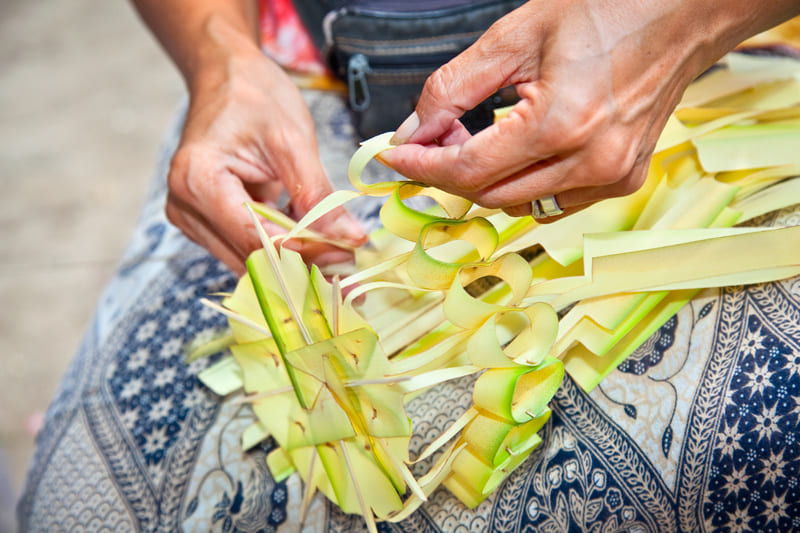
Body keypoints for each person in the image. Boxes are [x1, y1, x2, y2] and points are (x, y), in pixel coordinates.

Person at [17, 0, 800, 531]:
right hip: (300, 87)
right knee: (83, 505)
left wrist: (673, 20)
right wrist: (219, 59)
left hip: (704, 83)